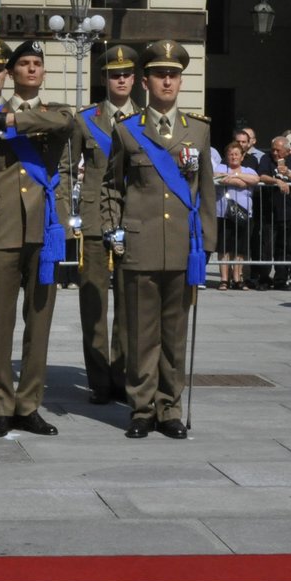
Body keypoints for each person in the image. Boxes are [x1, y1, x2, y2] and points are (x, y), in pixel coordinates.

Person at [101, 40, 216, 439]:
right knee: (140, 333)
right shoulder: (127, 131)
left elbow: (206, 192)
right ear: (145, 81)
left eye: (174, 75)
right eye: (160, 74)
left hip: (183, 246)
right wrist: (112, 229)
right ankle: (141, 407)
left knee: (175, 334)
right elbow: (112, 187)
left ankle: (170, 408)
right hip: (138, 244)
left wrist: (207, 243)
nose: (168, 81)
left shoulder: (197, 131)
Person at [0, 39, 76, 437]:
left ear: (43, 72)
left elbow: (65, 124)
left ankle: (29, 404)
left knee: (40, 320)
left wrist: (10, 123)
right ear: (11, 72)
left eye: (37, 64)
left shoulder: (54, 112)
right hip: (3, 225)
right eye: (24, 64)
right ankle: (0, 403)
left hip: (44, 226)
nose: (32, 69)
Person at [70, 44, 139, 405]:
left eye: (127, 73)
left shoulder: (144, 119)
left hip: (133, 219)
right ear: (105, 79)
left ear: (136, 78)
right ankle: (98, 380)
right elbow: (68, 169)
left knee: (130, 305)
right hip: (96, 221)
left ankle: (124, 375)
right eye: (115, 74)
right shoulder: (86, 120)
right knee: (93, 304)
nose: (121, 79)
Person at [255, 133, 291, 290]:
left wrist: (289, 175)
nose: (275, 153)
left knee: (286, 247)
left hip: (289, 210)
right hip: (270, 210)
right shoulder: (266, 159)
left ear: (286, 150)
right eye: (273, 149)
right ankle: (264, 278)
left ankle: (281, 279)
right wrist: (277, 180)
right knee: (267, 245)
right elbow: (261, 175)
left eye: (278, 150)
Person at [214, 141, 258, 291]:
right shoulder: (220, 167)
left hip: (243, 214)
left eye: (236, 154)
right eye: (230, 154)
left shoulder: (249, 170)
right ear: (226, 156)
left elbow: (255, 180)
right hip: (223, 214)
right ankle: (224, 279)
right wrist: (240, 182)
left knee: (240, 249)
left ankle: (237, 278)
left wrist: (235, 176)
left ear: (242, 156)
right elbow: (216, 177)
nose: (233, 157)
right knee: (224, 248)